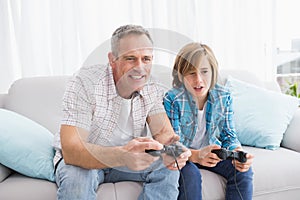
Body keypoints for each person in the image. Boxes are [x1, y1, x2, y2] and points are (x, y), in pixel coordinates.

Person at [53, 24, 191, 200]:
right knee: (77, 179)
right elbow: (72, 150)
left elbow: (163, 133)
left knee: (167, 168)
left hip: (128, 159)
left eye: (146, 59)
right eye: (131, 58)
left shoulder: (151, 86)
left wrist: (176, 150)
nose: (139, 67)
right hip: (85, 161)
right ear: (112, 59)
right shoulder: (84, 83)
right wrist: (122, 156)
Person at [163, 42, 254, 200]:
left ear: (213, 72)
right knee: (191, 175)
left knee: (243, 171)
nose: (198, 80)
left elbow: (228, 134)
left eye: (204, 72)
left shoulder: (223, 96)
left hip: (212, 155)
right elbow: (172, 145)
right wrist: (196, 155)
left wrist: (237, 152)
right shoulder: (172, 99)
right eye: (191, 73)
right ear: (180, 75)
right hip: (186, 157)